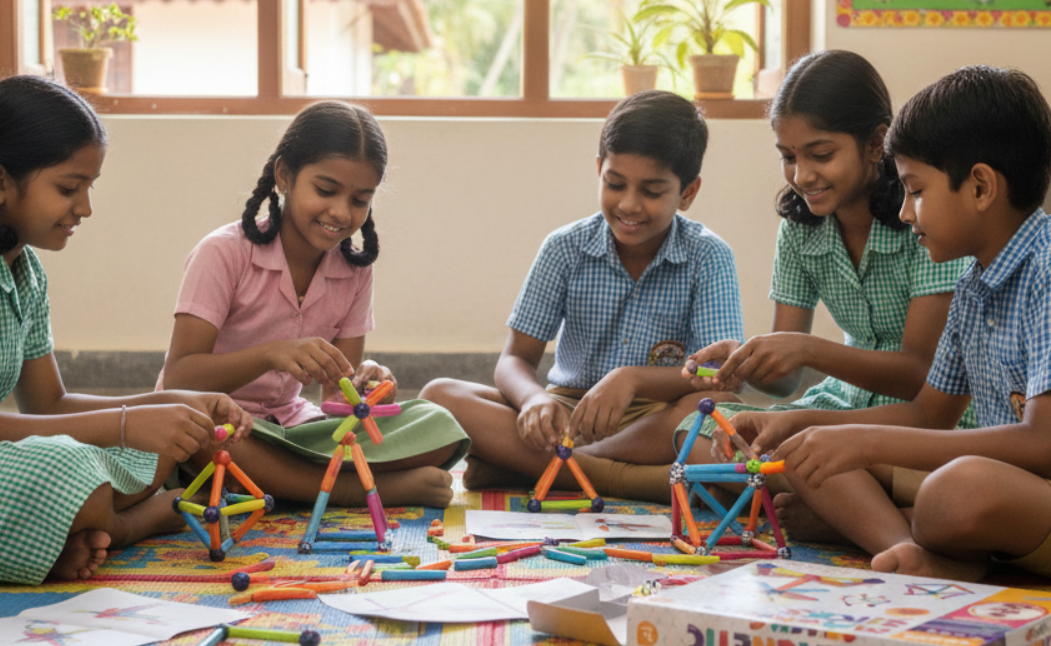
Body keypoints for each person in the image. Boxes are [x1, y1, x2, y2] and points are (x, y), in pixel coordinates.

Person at [742, 66, 1051, 581]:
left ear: (979, 187)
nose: (906, 212)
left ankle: (930, 542)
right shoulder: (975, 285)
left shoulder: (1045, 270)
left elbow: (1042, 442)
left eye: (916, 190)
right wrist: (803, 425)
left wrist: (869, 442)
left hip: (1016, 488)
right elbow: (931, 412)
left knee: (958, 490)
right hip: (1013, 492)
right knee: (803, 457)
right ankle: (924, 548)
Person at [0, 75, 250, 585]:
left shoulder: (24, 270)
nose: (84, 208)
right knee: (67, 469)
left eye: (88, 188)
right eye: (68, 188)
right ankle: (122, 528)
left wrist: (167, 404)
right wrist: (124, 422)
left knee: (157, 445)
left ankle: (65, 536)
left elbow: (48, 405)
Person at [677, 51, 973, 527]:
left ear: (877, 143)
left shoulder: (925, 222)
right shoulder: (800, 230)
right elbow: (786, 381)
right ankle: (849, 504)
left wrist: (809, 351)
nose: (802, 175)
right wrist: (746, 359)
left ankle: (870, 521)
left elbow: (921, 375)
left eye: (821, 154)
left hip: (931, 418)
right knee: (696, 433)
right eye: (788, 157)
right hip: (847, 403)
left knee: (799, 452)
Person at [421, 89, 742, 502]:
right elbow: (516, 359)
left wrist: (630, 379)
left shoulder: (709, 255)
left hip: (658, 420)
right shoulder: (564, 247)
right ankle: (630, 479)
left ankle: (543, 467)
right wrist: (534, 399)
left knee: (719, 406)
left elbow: (715, 373)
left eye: (652, 190)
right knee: (440, 397)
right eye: (615, 183)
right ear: (598, 171)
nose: (629, 204)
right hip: (567, 415)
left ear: (688, 193)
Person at [160, 101, 466, 509]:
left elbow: (338, 406)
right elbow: (182, 377)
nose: (340, 212)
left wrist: (366, 385)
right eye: (325, 191)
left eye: (360, 200)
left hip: (296, 431)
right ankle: (356, 491)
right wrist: (273, 354)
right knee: (205, 429)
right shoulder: (223, 253)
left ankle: (284, 485)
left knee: (437, 423)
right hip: (223, 424)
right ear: (284, 176)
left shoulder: (355, 269)